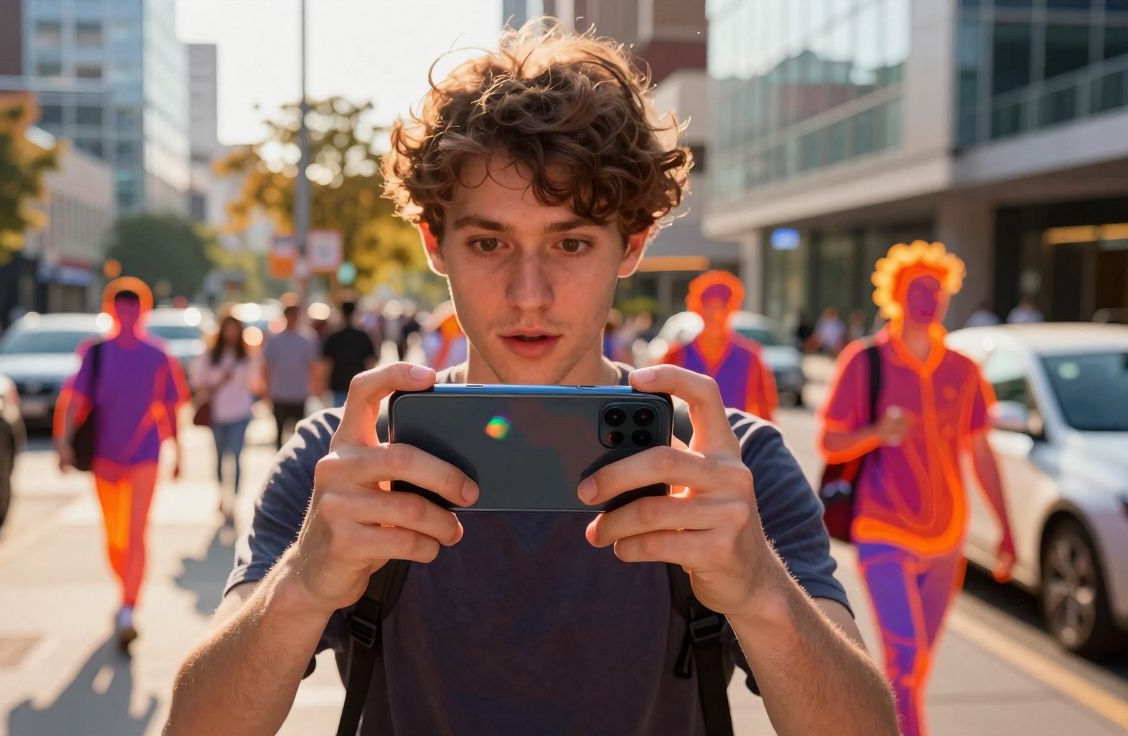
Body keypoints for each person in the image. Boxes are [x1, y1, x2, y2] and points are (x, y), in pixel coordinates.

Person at [168, 24, 896, 736]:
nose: (528, 294)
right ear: (434, 244)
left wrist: (759, 590)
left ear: (632, 245)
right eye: (489, 242)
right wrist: (302, 585)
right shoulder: (347, 460)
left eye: (571, 242)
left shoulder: (728, 466)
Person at [818, 241, 1016, 736]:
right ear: (896, 295)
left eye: (937, 288)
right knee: (904, 658)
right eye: (917, 287)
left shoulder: (964, 370)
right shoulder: (865, 361)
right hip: (883, 529)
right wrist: (876, 434)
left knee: (916, 668)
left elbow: (983, 454)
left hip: (949, 540)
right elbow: (829, 440)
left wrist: (1007, 529)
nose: (929, 297)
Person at [54, 277, 188, 650]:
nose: (126, 312)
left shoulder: (159, 354)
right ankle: (124, 589)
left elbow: (170, 407)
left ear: (143, 309)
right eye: (119, 304)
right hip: (104, 457)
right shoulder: (95, 352)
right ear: (109, 309)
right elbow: (73, 401)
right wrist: (63, 444)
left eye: (133, 305)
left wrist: (179, 452)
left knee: (136, 532)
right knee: (114, 537)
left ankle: (129, 606)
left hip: (145, 455)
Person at [660, 271, 778, 420]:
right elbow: (663, 408)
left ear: (732, 308)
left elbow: (765, 411)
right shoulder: (675, 355)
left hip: (736, 439)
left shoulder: (750, 357)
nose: (715, 315)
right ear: (697, 307)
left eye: (721, 307)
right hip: (686, 440)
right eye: (708, 306)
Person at [193, 312, 262, 522]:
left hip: (240, 412)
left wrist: (240, 377)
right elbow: (197, 379)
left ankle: (235, 500)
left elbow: (256, 382)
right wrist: (219, 377)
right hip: (218, 413)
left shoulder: (247, 355)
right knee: (220, 456)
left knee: (237, 456)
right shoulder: (211, 354)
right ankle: (222, 494)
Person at [261, 301, 320, 448]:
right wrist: (267, 390)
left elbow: (312, 366)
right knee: (279, 431)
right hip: (280, 393)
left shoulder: (307, 339)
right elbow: (267, 366)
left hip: (298, 393)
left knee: (298, 432)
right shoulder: (275, 340)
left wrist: (315, 388)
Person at [319, 301, 378, 408]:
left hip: (338, 385)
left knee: (339, 419)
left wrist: (323, 386)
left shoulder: (333, 337)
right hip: (359, 386)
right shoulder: (363, 336)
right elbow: (371, 362)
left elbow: (326, 364)